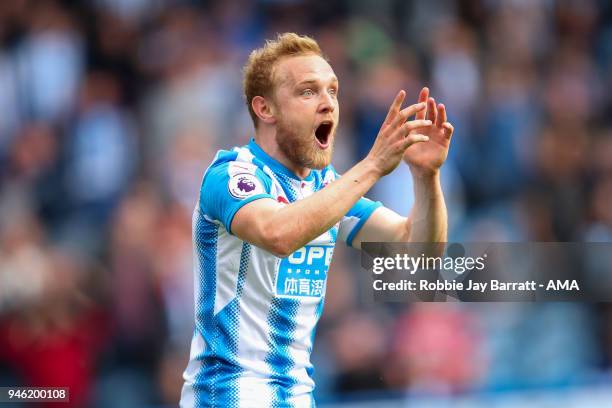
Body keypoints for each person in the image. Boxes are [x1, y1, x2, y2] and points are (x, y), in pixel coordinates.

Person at [180, 32, 454, 407]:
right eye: (308, 92)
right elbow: (278, 233)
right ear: (265, 109)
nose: (327, 104)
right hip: (229, 395)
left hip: (297, 396)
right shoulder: (230, 176)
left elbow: (418, 258)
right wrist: (373, 165)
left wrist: (426, 177)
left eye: (332, 91)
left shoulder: (327, 189)